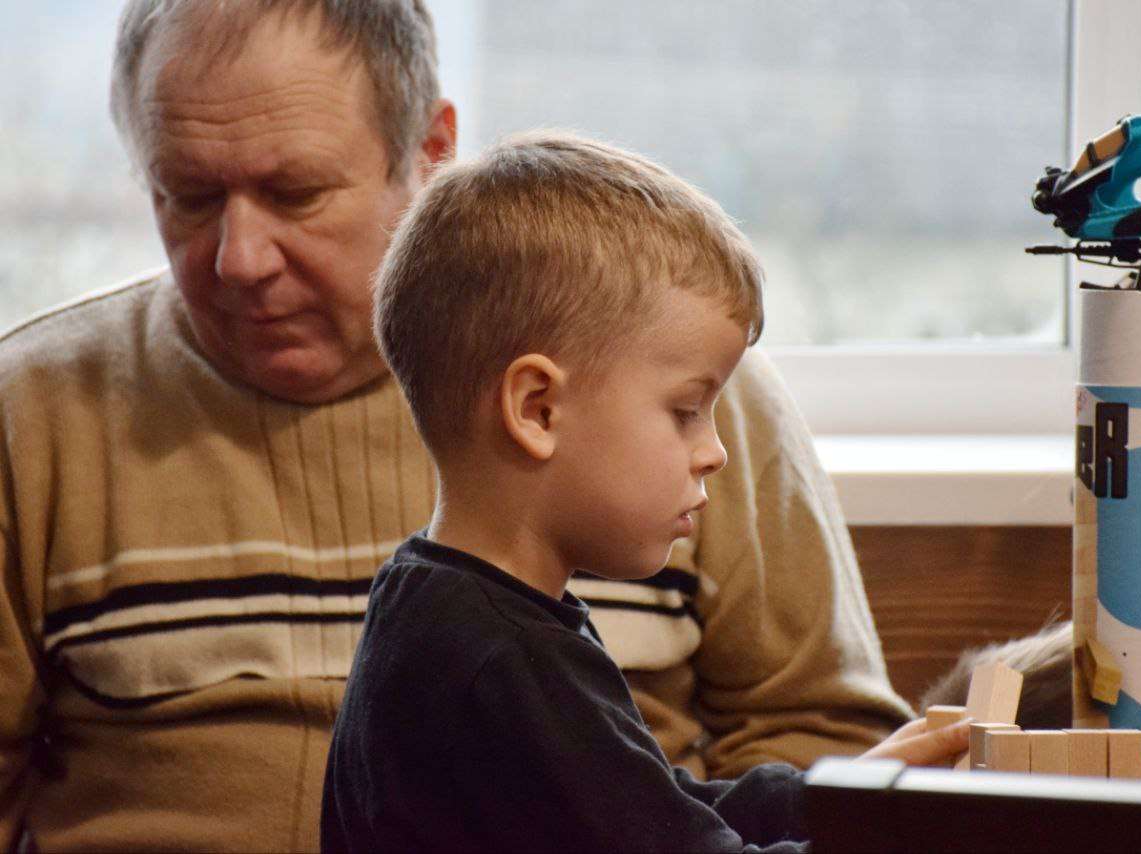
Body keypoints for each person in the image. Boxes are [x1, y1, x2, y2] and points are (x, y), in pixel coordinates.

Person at [0, 1, 909, 850]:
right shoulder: (32, 415)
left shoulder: (670, 386)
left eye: (298, 192)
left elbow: (785, 746)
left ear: (430, 149)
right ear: (532, 409)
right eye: (189, 195)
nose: (240, 259)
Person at [321, 130, 971, 853]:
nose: (716, 452)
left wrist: (834, 796)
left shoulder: (445, 606)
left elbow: (649, 806)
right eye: (685, 410)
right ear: (537, 409)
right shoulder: (502, 665)